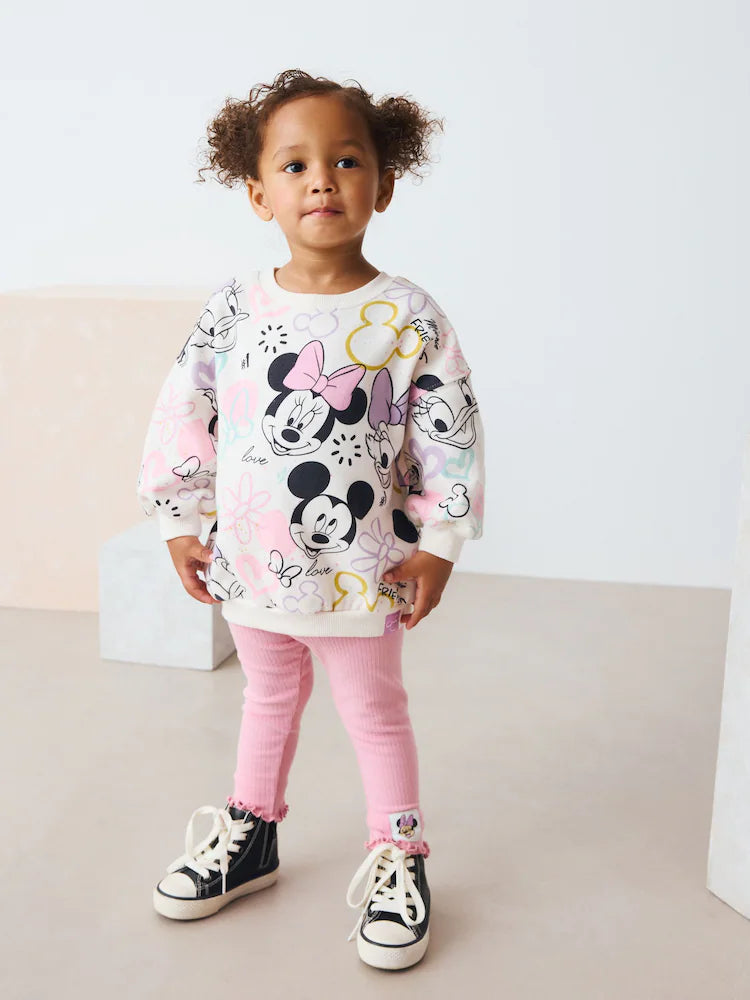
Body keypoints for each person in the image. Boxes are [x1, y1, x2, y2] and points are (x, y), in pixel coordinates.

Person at [135, 67, 486, 971]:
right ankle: (252, 832)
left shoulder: (407, 316)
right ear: (259, 194)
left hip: (362, 567)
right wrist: (179, 519)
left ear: (384, 184)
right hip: (253, 562)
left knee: (373, 708)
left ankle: (400, 852)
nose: (321, 181)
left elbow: (448, 433)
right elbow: (186, 410)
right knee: (266, 696)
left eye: (345, 161)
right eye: (294, 166)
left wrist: (442, 542)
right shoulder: (235, 307)